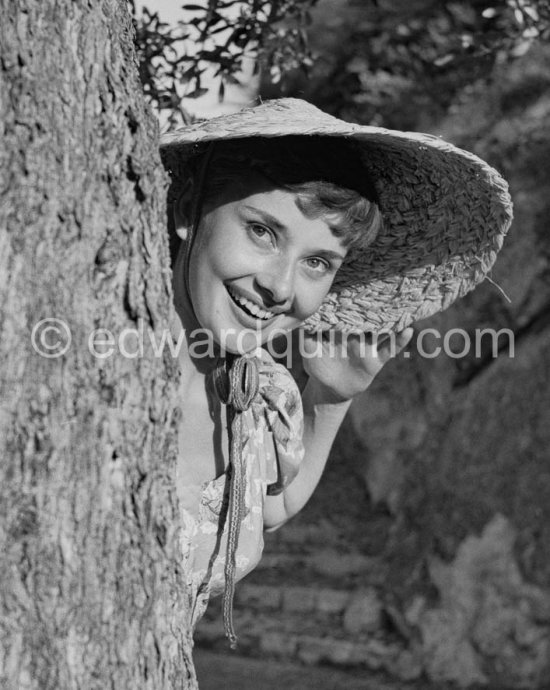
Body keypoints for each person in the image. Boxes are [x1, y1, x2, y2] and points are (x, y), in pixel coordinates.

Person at [160, 98, 513, 647]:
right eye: (262, 232)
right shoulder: (107, 366)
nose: (280, 286)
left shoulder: (257, 391)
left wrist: (330, 398)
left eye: (318, 262)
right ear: (188, 211)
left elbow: (272, 506)